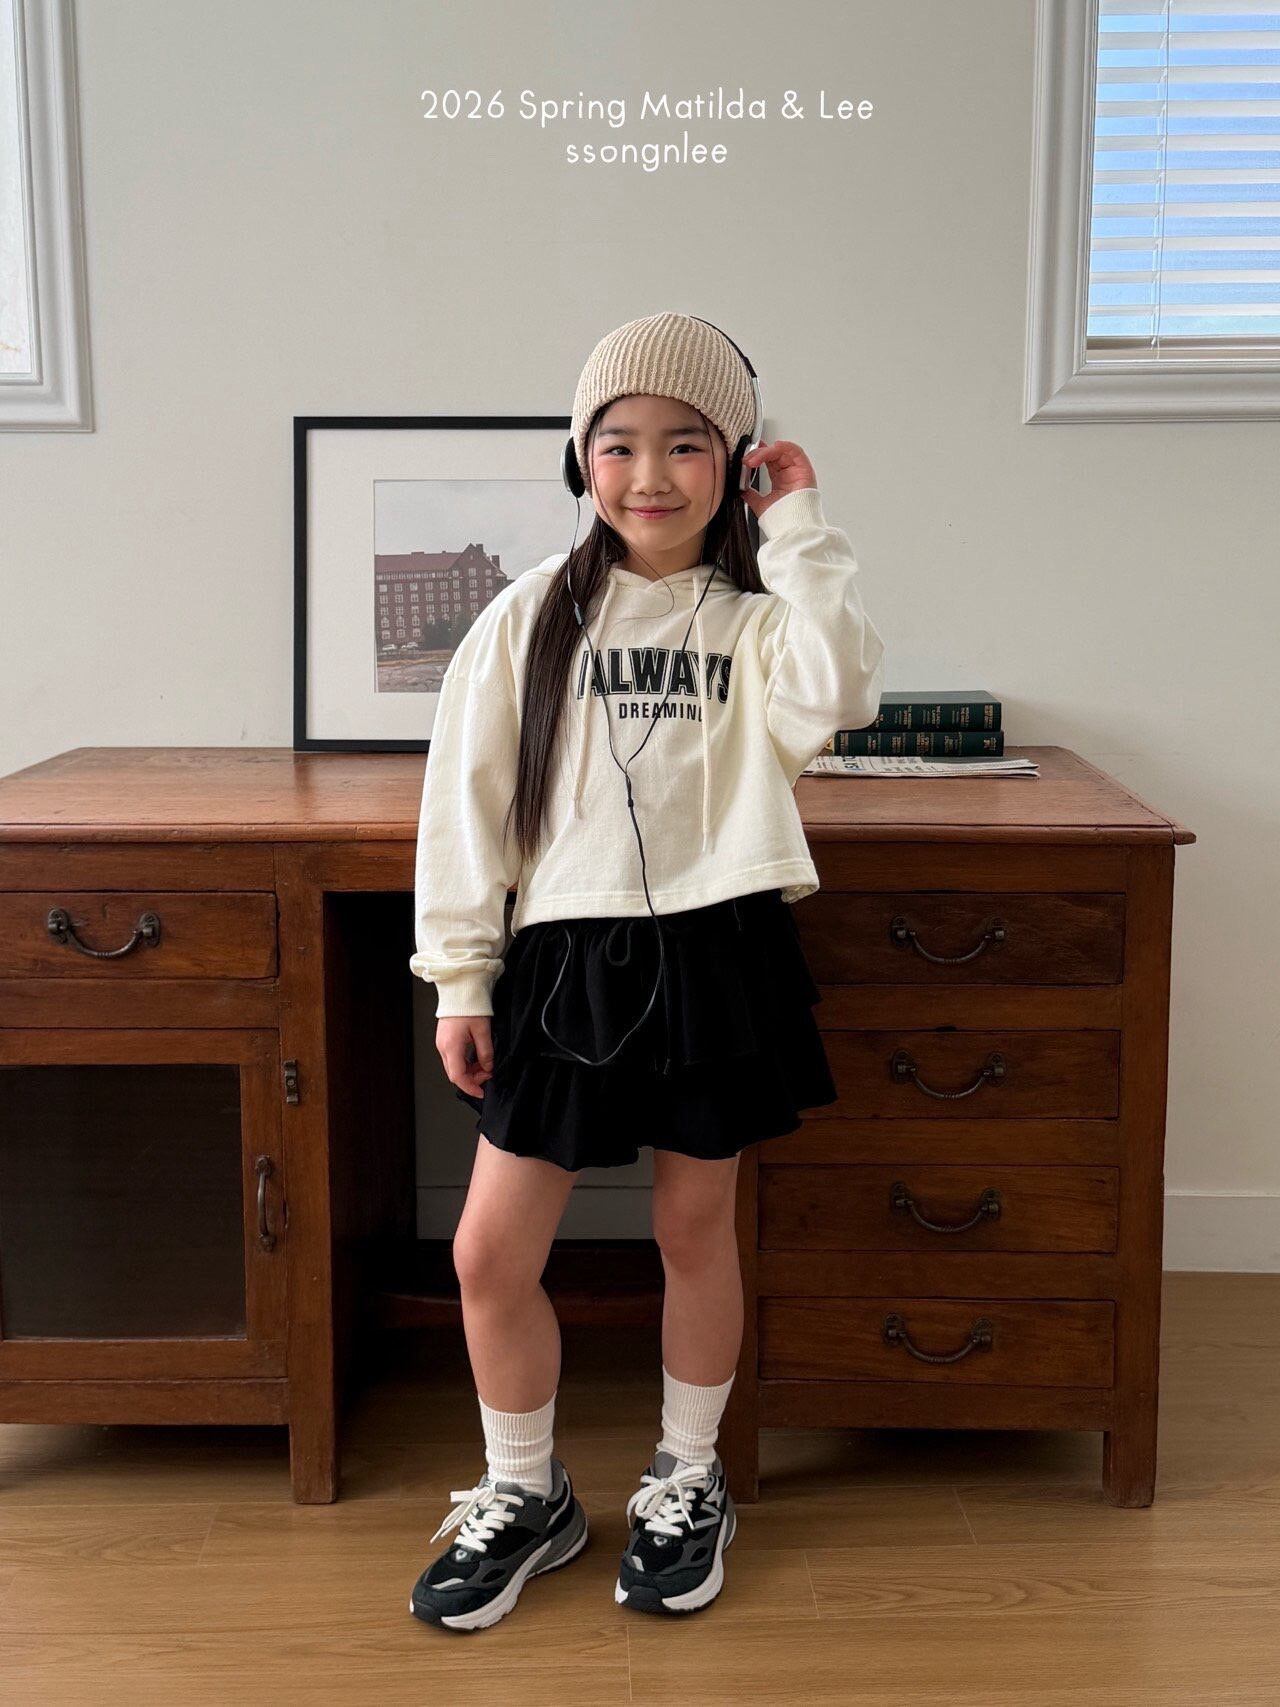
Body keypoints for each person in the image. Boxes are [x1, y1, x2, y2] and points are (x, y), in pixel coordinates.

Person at [406, 311, 886, 1631]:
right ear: (582, 460)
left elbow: (843, 689)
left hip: (716, 948)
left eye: (688, 444)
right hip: (566, 956)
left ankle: (686, 1477)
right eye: (618, 444)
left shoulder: (756, 625)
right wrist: (461, 978)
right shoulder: (525, 619)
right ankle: (526, 1491)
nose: (650, 474)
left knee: (693, 1229)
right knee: (489, 1252)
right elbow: (465, 807)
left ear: (733, 463)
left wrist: (800, 520)